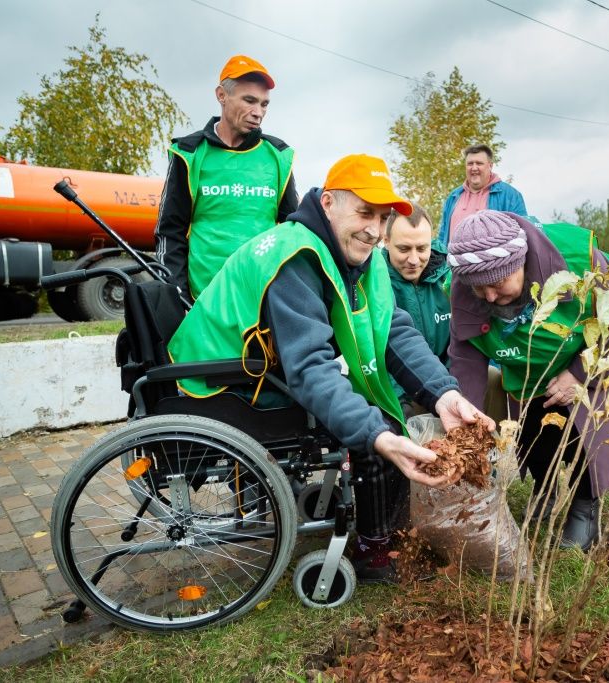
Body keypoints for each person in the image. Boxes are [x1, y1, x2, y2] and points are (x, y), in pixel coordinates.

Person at [168, 154, 493, 582]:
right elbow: (308, 366)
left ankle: (388, 532)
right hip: (221, 381)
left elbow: (392, 331)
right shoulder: (294, 254)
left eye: (381, 218)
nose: (374, 230)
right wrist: (376, 434)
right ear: (327, 203)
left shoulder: (359, 256)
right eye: (363, 212)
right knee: (375, 423)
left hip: (261, 367)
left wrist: (444, 394)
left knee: (376, 414)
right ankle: (374, 549)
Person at [446, 210, 609, 550]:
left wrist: (579, 374)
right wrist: (467, 425)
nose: (489, 297)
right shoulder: (463, 289)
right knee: (535, 428)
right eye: (479, 288)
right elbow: (466, 357)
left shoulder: (581, 262)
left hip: (589, 360)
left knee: (583, 432)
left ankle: (584, 504)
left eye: (498, 283)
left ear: (522, 264)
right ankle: (544, 487)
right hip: (528, 368)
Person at [154, 54, 298, 300]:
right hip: (203, 301)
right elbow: (170, 233)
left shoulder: (279, 156)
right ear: (222, 95)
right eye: (249, 100)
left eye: (264, 104)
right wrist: (178, 298)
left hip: (263, 300)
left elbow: (292, 233)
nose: (258, 112)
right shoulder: (188, 154)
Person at [381, 203, 451, 415]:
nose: (413, 260)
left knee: (492, 376)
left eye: (422, 249)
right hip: (395, 391)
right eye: (403, 249)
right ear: (386, 242)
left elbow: (460, 348)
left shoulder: (450, 279)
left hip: (444, 385)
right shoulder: (372, 282)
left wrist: (450, 389)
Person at [437, 144, 527, 246]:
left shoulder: (510, 195)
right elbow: (442, 236)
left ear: (490, 166)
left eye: (479, 163)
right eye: (470, 164)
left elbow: (522, 234)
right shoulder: (453, 197)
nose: (474, 168)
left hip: (493, 261)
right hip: (452, 261)